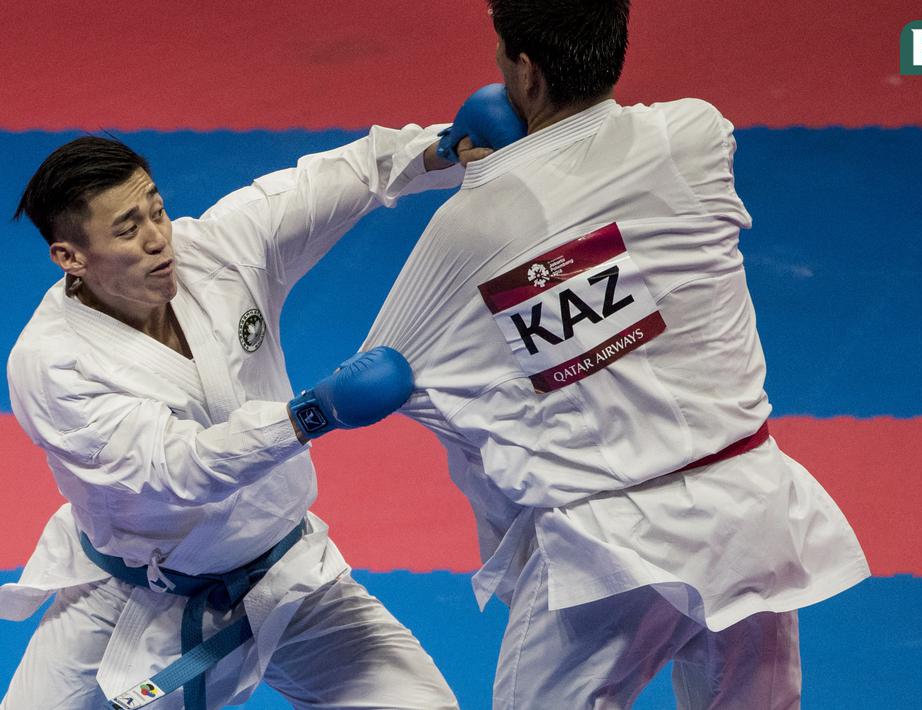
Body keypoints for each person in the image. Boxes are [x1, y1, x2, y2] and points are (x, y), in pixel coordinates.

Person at [362, 1, 870, 707]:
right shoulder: (696, 133)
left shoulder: (471, 224)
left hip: (608, 551)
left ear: (526, 73)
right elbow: (599, 200)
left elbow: (383, 372)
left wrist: (488, 174)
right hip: (751, 509)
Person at [0, 125, 480, 709]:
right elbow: (178, 470)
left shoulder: (218, 252)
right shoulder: (53, 365)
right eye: (127, 229)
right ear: (70, 257)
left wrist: (438, 150)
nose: (158, 239)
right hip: (134, 602)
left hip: (290, 580)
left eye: (157, 211)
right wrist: (309, 416)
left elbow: (336, 179)